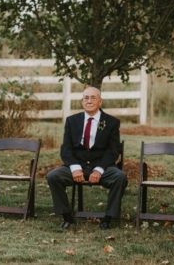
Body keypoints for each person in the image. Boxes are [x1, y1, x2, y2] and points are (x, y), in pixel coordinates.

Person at [46, 85, 127, 230]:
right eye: (86, 98)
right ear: (82, 101)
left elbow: (113, 151)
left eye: (93, 98)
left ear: (100, 102)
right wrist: (75, 168)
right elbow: (66, 149)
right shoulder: (72, 121)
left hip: (102, 166)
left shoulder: (111, 122)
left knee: (120, 177)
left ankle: (108, 218)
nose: (89, 101)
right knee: (53, 176)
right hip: (78, 165)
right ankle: (67, 216)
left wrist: (99, 170)